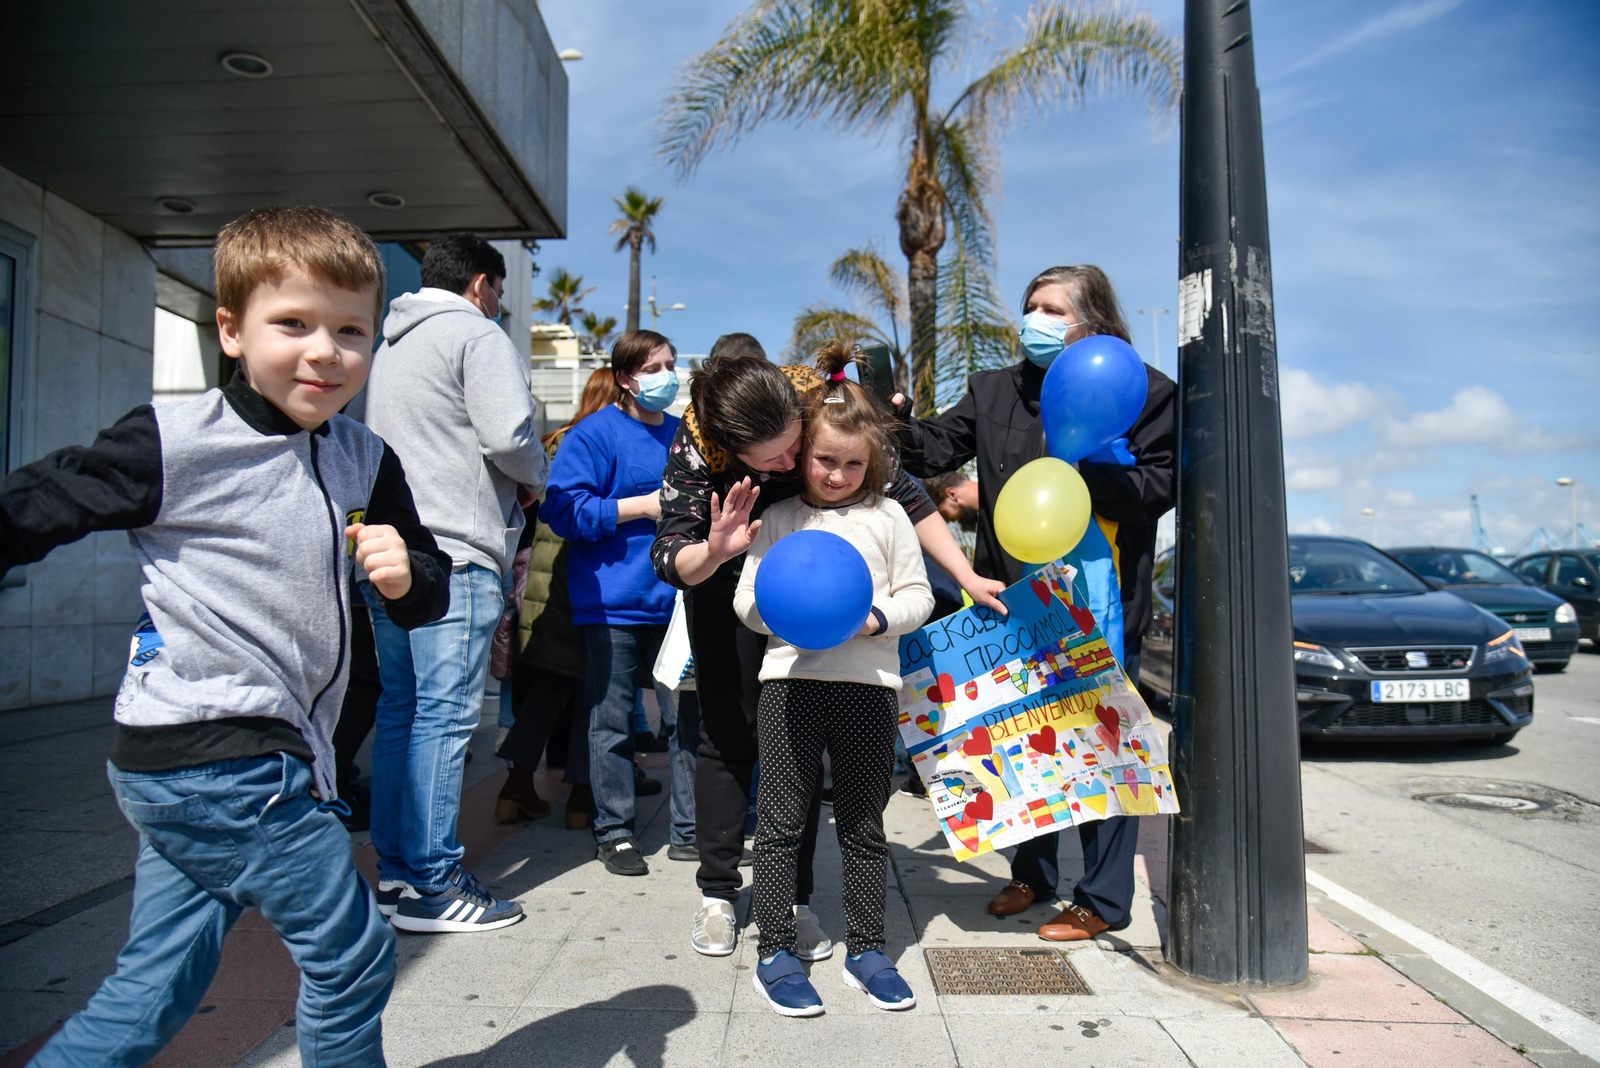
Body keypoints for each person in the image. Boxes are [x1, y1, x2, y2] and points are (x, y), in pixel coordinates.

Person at [0, 207, 452, 1066]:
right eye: (293, 323)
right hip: (224, 757)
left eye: (351, 330)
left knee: (154, 987)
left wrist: (406, 573)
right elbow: (33, 506)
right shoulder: (176, 440)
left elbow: (426, 592)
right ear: (231, 330)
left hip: (228, 764)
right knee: (353, 962)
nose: (326, 350)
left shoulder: (364, 457)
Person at [652, 332, 1007, 959]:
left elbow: (907, 495)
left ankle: (794, 896)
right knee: (727, 735)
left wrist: (967, 575)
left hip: (823, 587)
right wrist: (719, 549)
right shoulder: (698, 441)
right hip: (730, 575)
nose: (792, 466)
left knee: (796, 748)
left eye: (798, 448)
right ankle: (717, 893)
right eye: (773, 462)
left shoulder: (817, 400)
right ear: (734, 454)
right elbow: (669, 554)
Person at [895, 264, 1176, 943]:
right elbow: (933, 445)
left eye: (1051, 308)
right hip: (1012, 603)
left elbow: (1158, 488)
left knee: (1106, 751)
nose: (1034, 320)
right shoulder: (996, 390)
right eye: (1031, 306)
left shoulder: (1146, 391)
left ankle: (1103, 901)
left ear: (1093, 323)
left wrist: (1086, 466)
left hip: (1101, 605)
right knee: (1022, 740)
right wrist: (885, 420)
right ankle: (1032, 873)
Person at [734, 342, 932, 1016]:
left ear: (871, 461)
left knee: (863, 824)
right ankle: (775, 949)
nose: (839, 474)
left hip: (869, 688)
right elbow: (746, 601)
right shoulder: (781, 520)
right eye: (825, 460)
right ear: (804, 455)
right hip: (790, 684)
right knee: (782, 823)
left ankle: (868, 948)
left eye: (853, 463)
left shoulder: (889, 517)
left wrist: (875, 618)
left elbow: (919, 595)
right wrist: (781, 612)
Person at [362, 232, 549, 932]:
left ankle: (400, 875)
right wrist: (538, 476)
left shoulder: (391, 346)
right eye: (499, 292)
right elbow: (508, 436)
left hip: (390, 549)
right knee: (443, 716)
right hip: (457, 549)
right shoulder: (476, 336)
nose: (500, 305)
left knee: (400, 713)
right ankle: (437, 883)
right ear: (480, 285)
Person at [542, 330, 688, 876]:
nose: (667, 376)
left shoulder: (683, 436)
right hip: (611, 605)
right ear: (626, 378)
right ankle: (616, 833)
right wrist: (637, 507)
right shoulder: (593, 434)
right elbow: (561, 512)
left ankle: (688, 832)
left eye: (671, 364)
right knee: (611, 722)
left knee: (686, 723)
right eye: (655, 367)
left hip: (676, 606)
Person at [498, 366, 618, 826]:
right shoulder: (601, 443)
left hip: (545, 586)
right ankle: (584, 798)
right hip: (588, 583)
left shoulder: (554, 442)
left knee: (547, 691)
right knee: (598, 691)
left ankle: (515, 786)